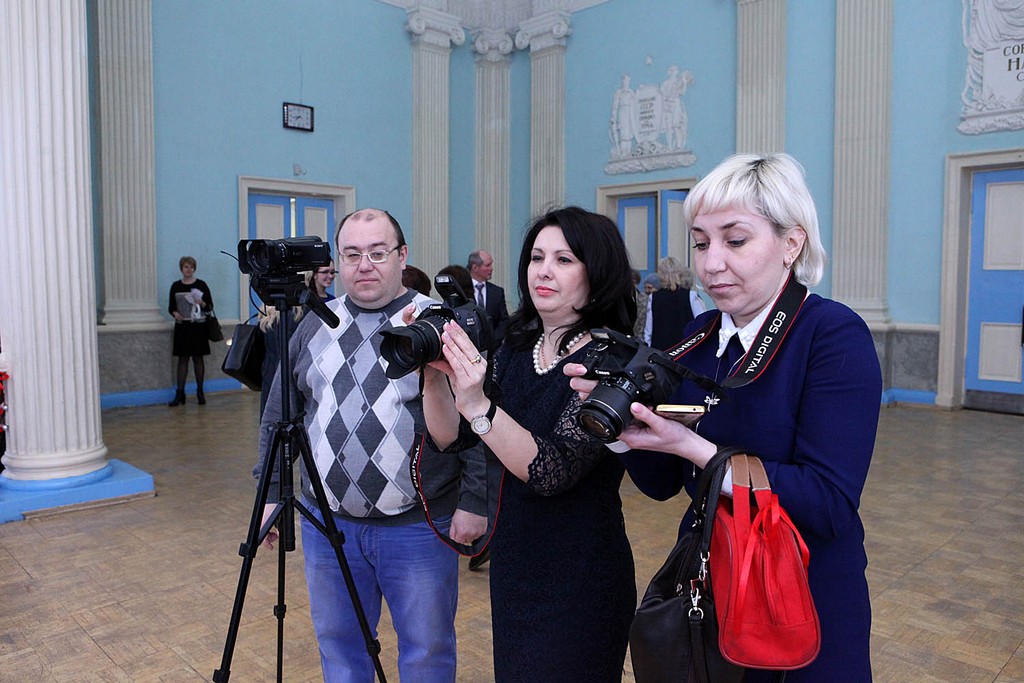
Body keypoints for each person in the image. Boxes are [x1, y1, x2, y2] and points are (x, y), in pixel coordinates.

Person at [567, 153, 882, 682]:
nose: (711, 264)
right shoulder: (699, 336)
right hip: (713, 584)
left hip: (802, 595)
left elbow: (827, 504)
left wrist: (696, 449)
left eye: (735, 241)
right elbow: (663, 484)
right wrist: (619, 427)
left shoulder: (831, 335)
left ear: (792, 243)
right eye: (700, 243)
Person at [256, 208, 488, 682]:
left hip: (420, 526)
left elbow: (479, 416)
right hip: (328, 525)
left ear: (402, 256)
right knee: (340, 648)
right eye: (352, 254)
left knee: (426, 651)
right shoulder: (316, 323)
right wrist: (271, 492)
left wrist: (475, 500)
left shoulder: (436, 322)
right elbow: (279, 413)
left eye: (378, 253)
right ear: (337, 262)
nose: (365, 265)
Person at [419, 207, 637, 682]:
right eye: (537, 257)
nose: (543, 270)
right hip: (516, 560)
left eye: (564, 259)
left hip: (581, 570)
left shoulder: (613, 360)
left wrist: (477, 404)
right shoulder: (516, 346)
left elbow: (552, 470)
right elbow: (451, 437)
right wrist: (434, 377)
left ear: (597, 273)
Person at [167, 256, 213, 406]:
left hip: (198, 327)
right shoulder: (176, 286)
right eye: (186, 267)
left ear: (194, 269)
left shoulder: (201, 285)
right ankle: (180, 393)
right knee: (182, 360)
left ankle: (200, 392)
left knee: (198, 359)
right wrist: (175, 314)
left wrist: (202, 302)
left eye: (191, 267)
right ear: (181, 268)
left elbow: (210, 306)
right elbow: (171, 307)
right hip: (183, 327)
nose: (189, 269)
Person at [647, 256, 703, 350]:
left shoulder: (653, 297)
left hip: (661, 351)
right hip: (685, 349)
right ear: (680, 273)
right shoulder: (690, 296)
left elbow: (649, 331)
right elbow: (701, 323)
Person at [467, 249, 509, 348]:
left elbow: (504, 321)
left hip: (493, 348)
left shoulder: (497, 292)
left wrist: (493, 340)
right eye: (487, 265)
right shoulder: (463, 290)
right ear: (475, 267)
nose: (491, 269)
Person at [634, 272, 660, 341]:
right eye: (645, 288)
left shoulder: (658, 302)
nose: (647, 291)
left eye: (650, 288)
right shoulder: (640, 299)